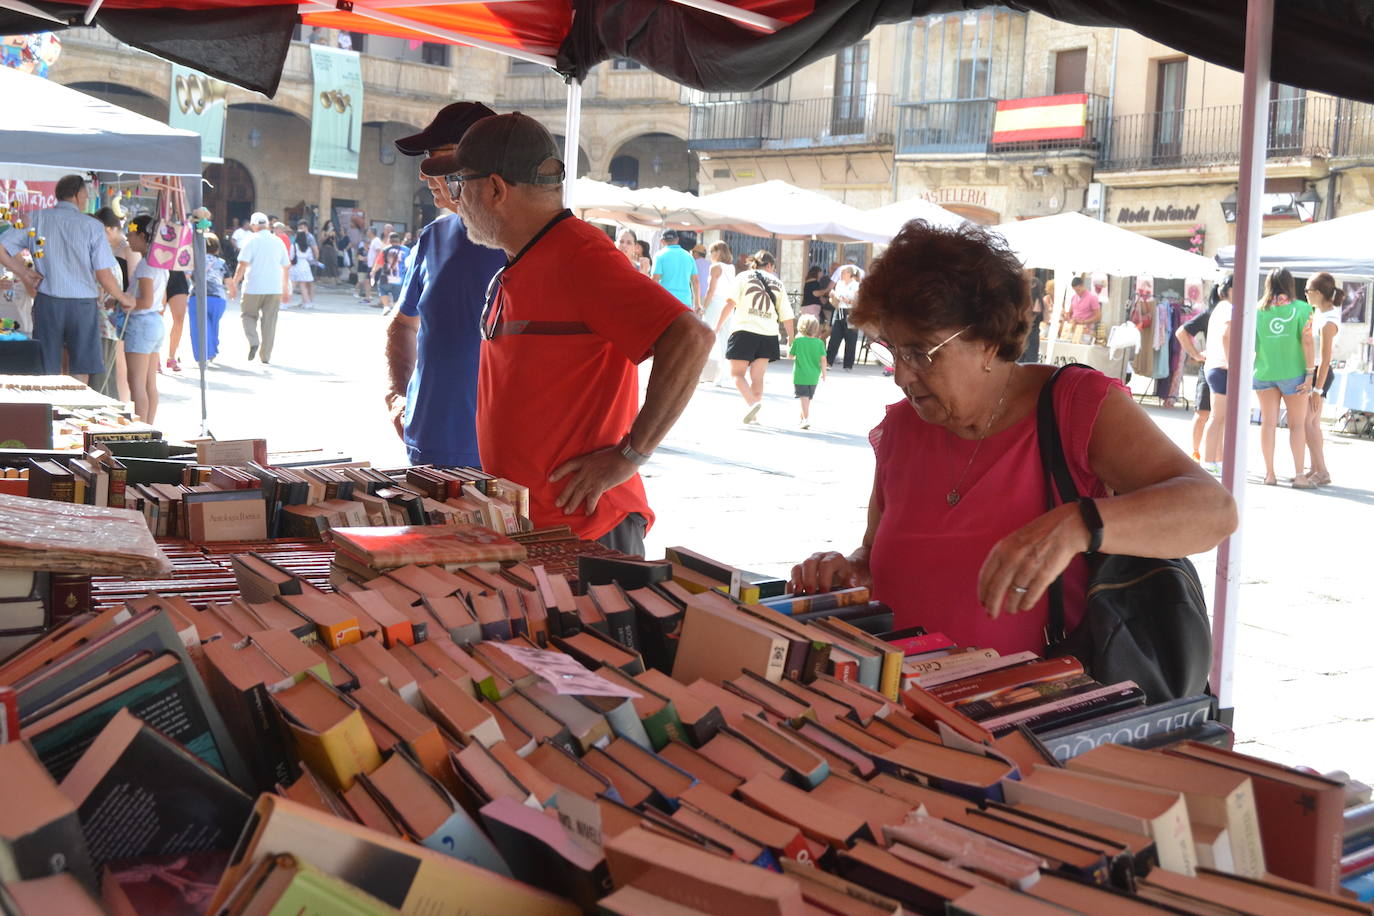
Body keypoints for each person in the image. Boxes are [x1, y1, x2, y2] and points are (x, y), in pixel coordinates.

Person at [787, 221, 1236, 653]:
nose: (901, 375)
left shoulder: (1074, 406)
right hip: (900, 709)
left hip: (1029, 717)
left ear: (985, 340)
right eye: (892, 349)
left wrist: (1079, 524)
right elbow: (874, 552)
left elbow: (1213, 510)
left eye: (920, 352)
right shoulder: (904, 426)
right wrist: (847, 571)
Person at [446, 111, 713, 554]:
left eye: (460, 186)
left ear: (494, 189)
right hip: (544, 527)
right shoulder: (534, 256)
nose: (456, 202)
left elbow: (691, 338)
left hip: (587, 529)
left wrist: (631, 456)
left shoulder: (579, 255)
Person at [384, 100, 507, 468]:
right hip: (425, 447)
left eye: (439, 161)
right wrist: (397, 395)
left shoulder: (524, 244)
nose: (425, 175)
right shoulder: (433, 236)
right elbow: (402, 324)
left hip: (498, 457)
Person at [0, 174, 133, 382]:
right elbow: (104, 274)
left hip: (47, 301)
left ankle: (49, 413)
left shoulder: (36, 218)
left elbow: (2, 248)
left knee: (47, 366)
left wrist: (24, 273)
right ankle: (74, 413)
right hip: (82, 305)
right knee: (80, 367)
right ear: (79, 195)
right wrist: (123, 298)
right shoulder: (92, 226)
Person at [1253, 267, 1315, 488]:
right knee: (1297, 426)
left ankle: (1269, 474)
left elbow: (1254, 345)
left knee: (1267, 424)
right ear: (1291, 284)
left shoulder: (1257, 310)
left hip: (1264, 372)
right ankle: (1299, 476)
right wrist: (1310, 373)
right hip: (1294, 374)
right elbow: (1307, 342)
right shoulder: (1303, 309)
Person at [719, 249, 793, 424]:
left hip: (744, 330)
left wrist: (718, 325)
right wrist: (791, 338)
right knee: (757, 377)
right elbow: (787, 315)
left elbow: (730, 303)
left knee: (737, 374)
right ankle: (755, 415)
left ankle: (752, 404)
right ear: (769, 265)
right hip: (768, 334)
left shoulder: (744, 277)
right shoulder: (778, 283)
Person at [116, 214, 168, 422]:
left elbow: (145, 301)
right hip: (155, 322)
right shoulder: (159, 263)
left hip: (142, 323)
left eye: (131, 233)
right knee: (149, 382)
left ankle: (141, 430)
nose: (128, 237)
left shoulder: (146, 265)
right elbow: (158, 300)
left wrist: (122, 301)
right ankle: (149, 428)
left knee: (136, 382)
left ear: (142, 235)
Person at [231, 211, 290, 364]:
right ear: (268, 225)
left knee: (248, 316)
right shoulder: (278, 241)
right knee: (269, 322)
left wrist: (234, 284)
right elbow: (286, 266)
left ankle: (253, 340)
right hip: (274, 287)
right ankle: (265, 356)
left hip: (253, 286)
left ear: (253, 225)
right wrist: (285, 288)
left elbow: (242, 265)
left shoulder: (251, 240)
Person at [1303, 272, 1343, 486]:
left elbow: (1326, 359)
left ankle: (1323, 470)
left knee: (1307, 423)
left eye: (1308, 291)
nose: (1306, 294)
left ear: (1318, 293)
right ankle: (1314, 468)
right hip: (1316, 372)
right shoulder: (1319, 314)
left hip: (1320, 374)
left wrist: (1317, 389)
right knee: (1313, 424)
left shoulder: (1329, 321)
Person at [1175, 284, 1219, 462]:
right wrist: (1195, 354)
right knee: (1203, 412)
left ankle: (1217, 456)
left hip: (1230, 370)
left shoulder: (1239, 315)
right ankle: (1195, 452)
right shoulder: (1210, 314)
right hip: (1209, 368)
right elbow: (1181, 332)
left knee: (1221, 417)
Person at [93, 207, 132, 401]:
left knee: (102, 379)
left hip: (104, 324)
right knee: (105, 377)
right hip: (106, 324)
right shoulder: (106, 253)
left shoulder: (108, 254)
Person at [1199, 276, 1234, 476]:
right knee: (1217, 417)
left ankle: (1215, 459)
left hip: (1216, 366)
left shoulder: (1220, 308)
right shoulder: (1228, 308)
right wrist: (1231, 363)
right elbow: (1226, 335)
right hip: (1221, 368)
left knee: (1220, 418)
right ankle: (1208, 459)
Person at [188, 234, 231, 365]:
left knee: (198, 327)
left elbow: (187, 276)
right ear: (216, 248)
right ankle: (212, 350)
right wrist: (232, 292)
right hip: (218, 299)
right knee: (213, 325)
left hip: (198, 297)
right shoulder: (221, 262)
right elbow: (229, 282)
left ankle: (203, 355)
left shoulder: (193, 261)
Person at [698, 240, 735, 385]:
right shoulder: (731, 268)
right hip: (728, 304)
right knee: (724, 340)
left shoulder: (715, 267)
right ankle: (723, 376)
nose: (710, 254)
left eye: (712, 251)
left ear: (717, 252)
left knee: (707, 337)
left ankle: (702, 373)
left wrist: (703, 307)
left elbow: (710, 291)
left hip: (715, 304)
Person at [791, 313, 826, 429]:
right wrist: (824, 373)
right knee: (807, 398)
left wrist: (788, 343)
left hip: (800, 375)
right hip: (814, 376)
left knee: (804, 398)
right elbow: (823, 360)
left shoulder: (798, 341)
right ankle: (802, 419)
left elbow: (790, 357)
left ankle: (806, 419)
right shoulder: (820, 343)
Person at [651, 230, 698, 310]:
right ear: (677, 240)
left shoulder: (659, 255)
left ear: (662, 241)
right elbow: (695, 281)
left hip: (666, 300)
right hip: (685, 301)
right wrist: (697, 303)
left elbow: (655, 279)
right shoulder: (689, 256)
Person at [827, 265, 860, 370]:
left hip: (851, 312)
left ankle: (848, 365)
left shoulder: (856, 285)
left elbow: (859, 301)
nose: (841, 275)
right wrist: (833, 297)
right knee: (834, 338)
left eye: (843, 273)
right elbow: (836, 300)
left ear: (849, 274)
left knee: (850, 339)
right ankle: (828, 362)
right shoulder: (839, 284)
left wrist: (849, 301)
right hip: (840, 311)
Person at [376, 232, 406, 316]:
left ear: (389, 240)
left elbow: (379, 263)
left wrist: (373, 272)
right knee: (397, 295)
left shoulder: (385, 249)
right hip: (400, 277)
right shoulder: (406, 250)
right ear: (399, 240)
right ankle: (396, 311)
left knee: (383, 290)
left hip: (386, 276)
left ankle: (386, 307)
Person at [1065, 275, 1101, 343]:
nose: (1077, 292)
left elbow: (1098, 316)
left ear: (1082, 286)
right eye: (1075, 290)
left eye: (1078, 290)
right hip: (1074, 330)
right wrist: (1068, 318)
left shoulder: (1092, 297)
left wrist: (1083, 322)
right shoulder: (1074, 297)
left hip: (1086, 330)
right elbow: (1070, 313)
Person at [287, 228, 315, 309]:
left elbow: (291, 256)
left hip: (296, 266)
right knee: (303, 286)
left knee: (291, 286)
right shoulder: (307, 247)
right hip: (305, 266)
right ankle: (307, 303)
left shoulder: (294, 246)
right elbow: (310, 258)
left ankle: (286, 302)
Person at [1019, 275, 1042, 364]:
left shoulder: (1025, 299)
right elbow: (1045, 317)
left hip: (1024, 329)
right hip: (1033, 330)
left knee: (1021, 358)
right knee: (1031, 358)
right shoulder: (1039, 300)